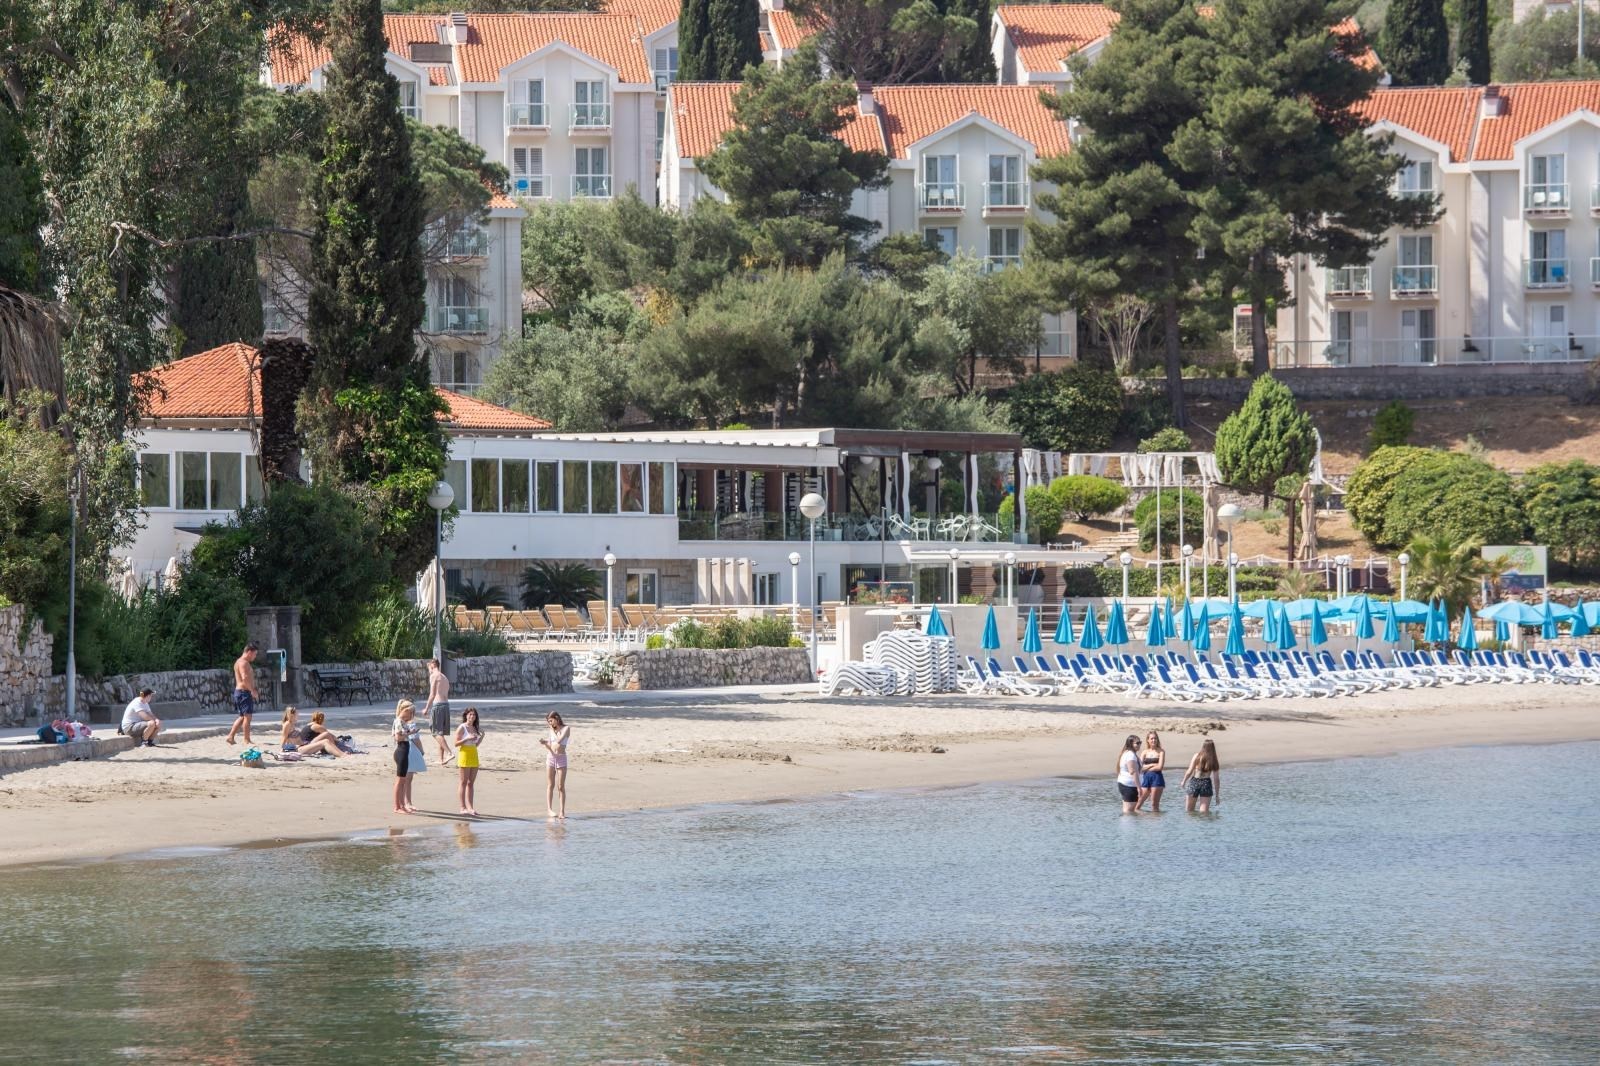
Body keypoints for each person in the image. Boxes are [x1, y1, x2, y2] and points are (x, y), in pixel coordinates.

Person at [392, 699, 426, 813]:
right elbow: (398, 737)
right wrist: (410, 733)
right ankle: (397, 806)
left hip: (404, 750)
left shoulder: (402, 721)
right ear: (405, 710)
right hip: (401, 750)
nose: (411, 715)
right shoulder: (398, 721)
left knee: (402, 780)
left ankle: (402, 805)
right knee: (400, 780)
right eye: (410, 712)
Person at [225, 642, 260, 746]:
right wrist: (252, 691)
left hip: (240, 692)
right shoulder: (243, 663)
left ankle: (230, 736)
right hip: (244, 692)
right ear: (249, 652)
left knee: (242, 717)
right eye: (255, 654)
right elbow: (244, 678)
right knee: (247, 717)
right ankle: (246, 740)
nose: (255, 657)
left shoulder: (238, 662)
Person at [280, 707, 347, 759]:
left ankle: (340, 752)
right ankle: (343, 755)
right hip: (298, 749)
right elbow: (284, 737)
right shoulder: (287, 724)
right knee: (325, 741)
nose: (298, 715)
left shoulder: (292, 724)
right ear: (292, 715)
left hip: (304, 745)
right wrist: (282, 749)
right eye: (297, 714)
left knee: (326, 736)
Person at [422, 658, 453, 765]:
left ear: (432, 665)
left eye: (429, 667)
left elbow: (432, 694)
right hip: (446, 706)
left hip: (438, 705)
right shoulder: (444, 677)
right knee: (441, 733)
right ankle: (441, 759)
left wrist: (426, 708)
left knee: (435, 732)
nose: (428, 670)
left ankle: (449, 753)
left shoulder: (434, 676)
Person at [539, 711, 570, 820]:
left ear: (556, 718)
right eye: (548, 722)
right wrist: (545, 744)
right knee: (550, 785)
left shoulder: (566, 728)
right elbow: (551, 746)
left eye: (551, 721)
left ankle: (562, 811)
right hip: (551, 757)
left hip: (561, 758)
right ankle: (549, 809)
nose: (550, 724)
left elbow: (559, 740)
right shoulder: (551, 730)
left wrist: (552, 730)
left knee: (560, 786)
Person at [454, 707, 483, 816]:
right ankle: (462, 807)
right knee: (463, 782)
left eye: (474, 715)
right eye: (470, 714)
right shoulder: (462, 727)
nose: (472, 717)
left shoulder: (475, 728)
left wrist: (482, 736)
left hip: (473, 754)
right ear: (466, 715)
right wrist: (466, 738)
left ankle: (470, 807)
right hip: (464, 754)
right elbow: (456, 743)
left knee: (471, 783)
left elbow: (475, 744)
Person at [1181, 739, 1222, 814]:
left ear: (1203, 747)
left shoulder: (1197, 756)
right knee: (1204, 813)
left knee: (1189, 812)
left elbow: (1189, 771)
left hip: (1194, 782)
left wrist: (1184, 781)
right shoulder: (1214, 760)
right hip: (1206, 784)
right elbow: (1216, 779)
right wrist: (1217, 795)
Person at [1138, 730, 1167, 813]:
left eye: (1155, 738)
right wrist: (1152, 765)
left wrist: (1146, 767)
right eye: (1151, 739)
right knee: (1138, 803)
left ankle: (1155, 823)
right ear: (1148, 740)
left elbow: (1160, 767)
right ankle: (1143, 819)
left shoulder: (1161, 751)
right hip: (1146, 778)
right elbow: (1140, 768)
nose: (1153, 740)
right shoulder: (1144, 752)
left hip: (1157, 779)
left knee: (1154, 804)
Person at [1116, 735, 1142, 815]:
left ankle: (1126, 826)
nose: (1139, 745)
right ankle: (1129, 827)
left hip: (1125, 784)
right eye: (1137, 743)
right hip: (1129, 786)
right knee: (1129, 811)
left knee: (1127, 811)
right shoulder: (1130, 755)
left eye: (1140, 742)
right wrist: (1139, 788)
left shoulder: (1127, 753)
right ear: (1131, 744)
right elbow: (1133, 771)